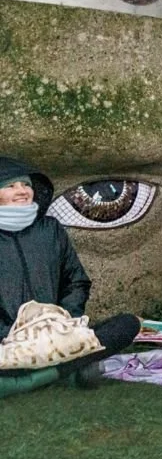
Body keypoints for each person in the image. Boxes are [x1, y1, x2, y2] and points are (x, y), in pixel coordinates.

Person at [0, 157, 141, 399]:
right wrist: (8, 333)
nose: (22, 191)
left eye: (25, 185)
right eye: (11, 186)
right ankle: (68, 371)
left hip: (60, 333)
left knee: (128, 324)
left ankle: (35, 375)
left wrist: (65, 319)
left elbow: (77, 280)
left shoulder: (50, 229)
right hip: (9, 342)